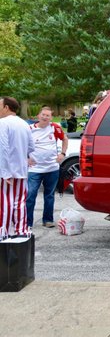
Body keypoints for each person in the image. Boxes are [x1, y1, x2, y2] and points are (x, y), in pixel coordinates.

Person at [26, 106, 69, 228]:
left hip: (52, 168)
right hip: (35, 169)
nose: (45, 117)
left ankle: (48, 220)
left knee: (49, 195)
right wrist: (26, 158)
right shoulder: (29, 129)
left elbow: (65, 139)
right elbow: (20, 144)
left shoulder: (54, 127)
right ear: (38, 116)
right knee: (30, 195)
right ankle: (27, 223)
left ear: (51, 117)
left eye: (48, 115)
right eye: (43, 115)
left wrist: (62, 154)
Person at [0, 96, 35, 239]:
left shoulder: (3, 123)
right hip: (21, 169)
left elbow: (3, 147)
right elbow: (31, 146)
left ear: (6, 107)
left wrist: (5, 172)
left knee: (6, 202)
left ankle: (4, 231)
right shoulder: (24, 124)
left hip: (7, 170)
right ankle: (21, 230)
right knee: (20, 202)